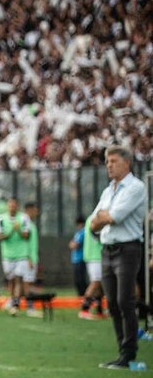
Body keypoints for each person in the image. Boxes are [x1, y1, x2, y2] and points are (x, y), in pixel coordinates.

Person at [91, 145, 146, 369]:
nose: (109, 166)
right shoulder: (108, 190)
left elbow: (114, 217)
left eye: (113, 161)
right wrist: (103, 218)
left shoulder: (136, 187)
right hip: (108, 249)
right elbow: (93, 222)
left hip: (127, 249)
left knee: (125, 300)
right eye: (107, 162)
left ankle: (129, 353)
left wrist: (105, 217)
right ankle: (121, 351)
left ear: (127, 163)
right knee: (112, 302)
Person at [0, 197, 31, 316]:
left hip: (21, 254)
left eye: (14, 205)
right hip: (8, 255)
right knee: (11, 279)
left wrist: (18, 229)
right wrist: (11, 231)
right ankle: (12, 300)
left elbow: (26, 235)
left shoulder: (24, 218)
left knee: (18, 278)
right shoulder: (1, 219)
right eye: (10, 205)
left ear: (17, 206)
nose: (12, 207)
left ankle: (15, 304)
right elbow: (0, 236)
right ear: (7, 206)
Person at [79, 215, 106, 320]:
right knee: (95, 282)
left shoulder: (90, 218)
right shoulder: (96, 218)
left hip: (93, 256)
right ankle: (84, 309)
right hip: (95, 256)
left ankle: (99, 310)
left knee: (98, 284)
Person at [23, 202, 41, 317]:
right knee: (27, 282)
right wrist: (28, 257)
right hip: (27, 258)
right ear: (29, 209)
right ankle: (30, 307)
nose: (37, 211)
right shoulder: (25, 223)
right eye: (35, 209)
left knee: (27, 282)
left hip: (33, 257)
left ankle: (12, 302)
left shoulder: (31, 223)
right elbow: (24, 242)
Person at [68, 215, 88, 297]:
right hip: (75, 259)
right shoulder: (78, 233)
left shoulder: (83, 232)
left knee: (81, 280)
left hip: (81, 259)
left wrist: (72, 244)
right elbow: (71, 244)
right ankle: (81, 296)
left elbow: (74, 245)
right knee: (77, 280)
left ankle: (84, 296)